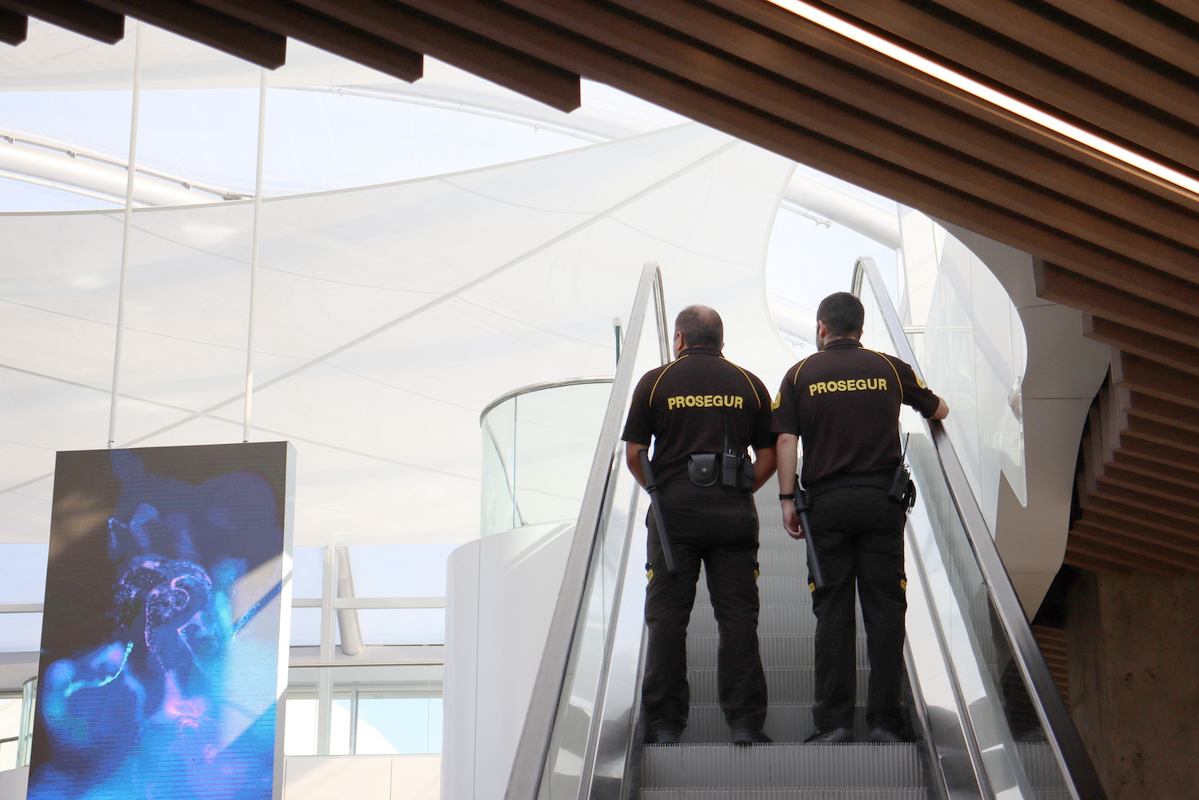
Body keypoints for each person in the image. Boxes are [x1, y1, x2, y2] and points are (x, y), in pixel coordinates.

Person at [773, 292, 948, 744]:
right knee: (886, 610)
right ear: (861, 330)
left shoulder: (799, 375)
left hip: (825, 508)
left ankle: (833, 723)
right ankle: (885, 720)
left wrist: (787, 498)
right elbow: (938, 409)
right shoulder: (889, 367)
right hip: (880, 504)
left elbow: (787, 441)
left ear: (821, 327)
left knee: (832, 612)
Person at [623, 305, 778, 746]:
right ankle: (745, 724)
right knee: (738, 619)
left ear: (679, 340)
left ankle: (666, 725)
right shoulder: (749, 383)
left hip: (673, 517)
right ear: (721, 341)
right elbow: (767, 456)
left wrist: (659, 490)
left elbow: (635, 454)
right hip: (732, 514)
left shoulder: (655, 383)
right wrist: (744, 488)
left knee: (668, 620)